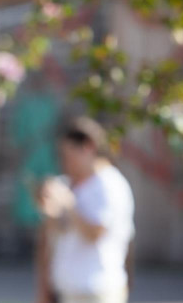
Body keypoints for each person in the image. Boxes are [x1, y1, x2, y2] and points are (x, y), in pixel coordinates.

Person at [36, 117, 135, 303]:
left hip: (98, 291)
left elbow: (95, 233)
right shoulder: (68, 184)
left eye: (69, 156)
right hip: (67, 291)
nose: (65, 163)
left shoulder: (109, 185)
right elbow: (52, 238)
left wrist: (68, 204)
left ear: (88, 147)